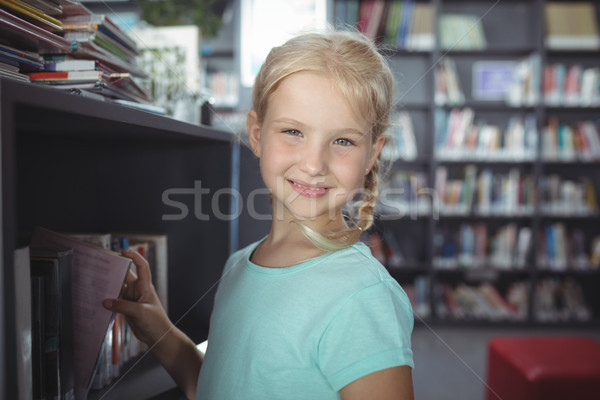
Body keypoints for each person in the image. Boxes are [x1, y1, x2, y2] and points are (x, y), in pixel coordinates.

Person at [103, 29, 415, 400]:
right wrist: (158, 329)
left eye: (343, 140)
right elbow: (219, 388)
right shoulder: (239, 266)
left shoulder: (363, 298)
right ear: (256, 134)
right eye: (293, 131)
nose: (314, 164)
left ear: (372, 153)